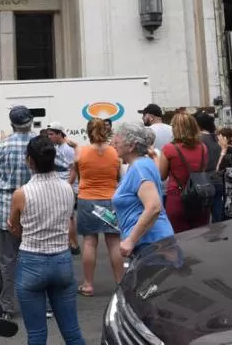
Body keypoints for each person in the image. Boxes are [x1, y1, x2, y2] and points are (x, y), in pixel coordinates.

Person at [0, 105, 70, 319]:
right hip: (41, 205)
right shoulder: (42, 144)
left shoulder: (2, 146)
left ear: (11, 123)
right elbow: (61, 164)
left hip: (7, 207)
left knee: (7, 261)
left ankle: (6, 306)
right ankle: (49, 305)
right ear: (31, 121)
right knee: (44, 254)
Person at [9, 136, 84, 345]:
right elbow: (68, 219)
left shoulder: (21, 194)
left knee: (36, 335)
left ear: (29, 161)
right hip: (62, 259)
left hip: (32, 259)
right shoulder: (67, 189)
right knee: (72, 332)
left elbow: (14, 227)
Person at [71, 118, 124, 296]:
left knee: (89, 242)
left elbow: (78, 175)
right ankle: (120, 282)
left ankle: (88, 284)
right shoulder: (115, 153)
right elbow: (118, 177)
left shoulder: (81, 152)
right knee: (114, 243)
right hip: (110, 200)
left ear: (88, 132)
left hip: (87, 200)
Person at [110, 122, 174, 259]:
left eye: (117, 142)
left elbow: (154, 207)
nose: (113, 145)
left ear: (131, 146)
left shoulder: (139, 168)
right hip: (152, 241)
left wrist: (131, 240)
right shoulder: (141, 164)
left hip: (150, 243)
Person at [159, 112, 210, 233]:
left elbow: (162, 175)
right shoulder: (203, 147)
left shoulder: (169, 148)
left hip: (177, 198)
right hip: (200, 198)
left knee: (179, 239)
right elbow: (202, 169)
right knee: (200, 236)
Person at [46, 123, 80, 255]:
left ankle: (74, 244)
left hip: (67, 186)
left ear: (60, 134)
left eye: (51, 134)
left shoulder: (67, 149)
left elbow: (74, 169)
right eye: (48, 134)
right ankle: (68, 244)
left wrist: (67, 185)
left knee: (68, 217)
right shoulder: (57, 147)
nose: (49, 137)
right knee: (64, 216)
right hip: (62, 185)